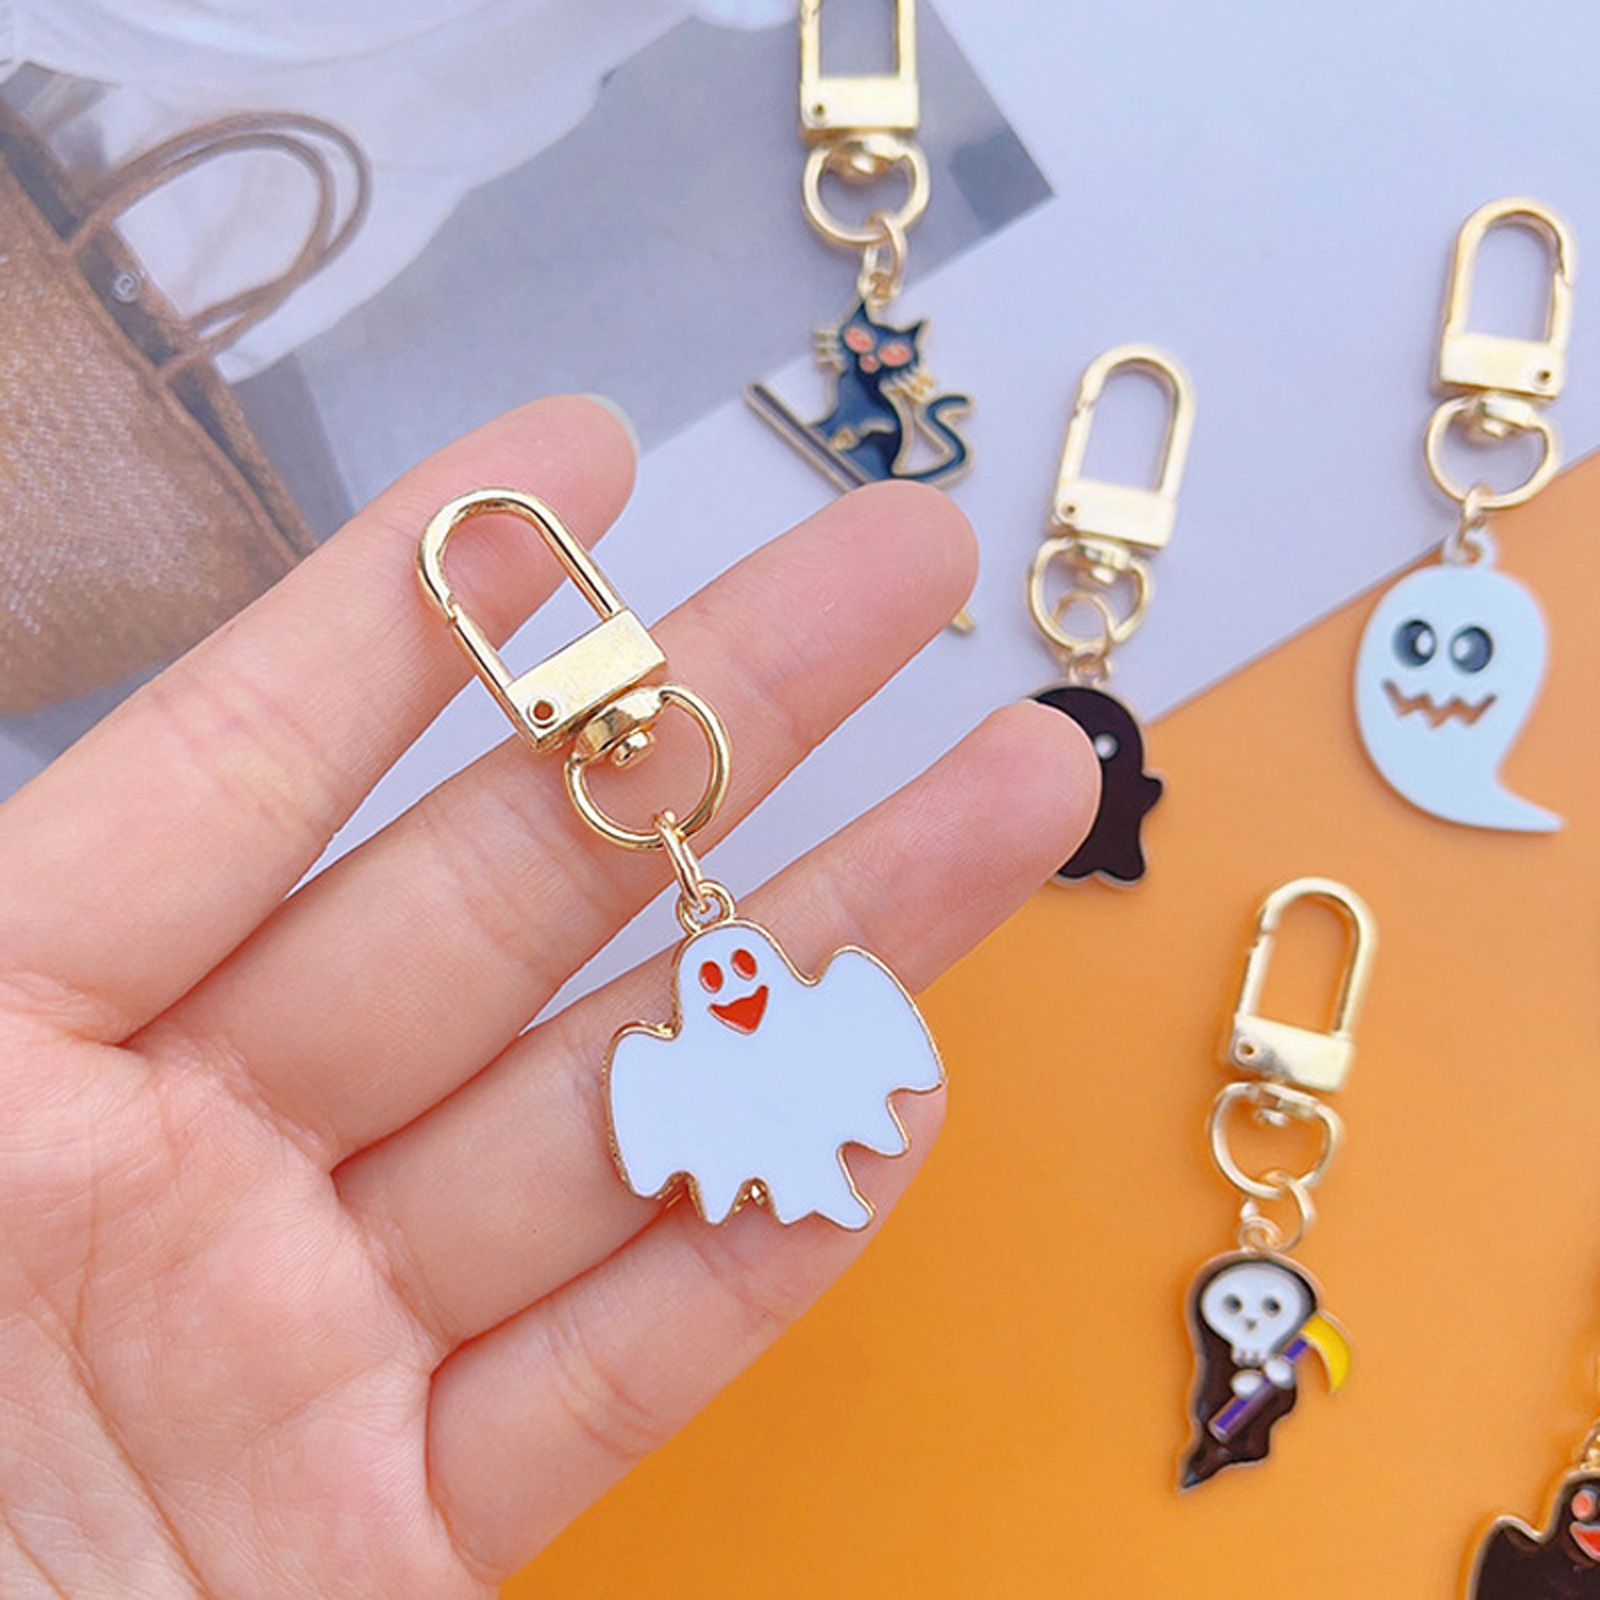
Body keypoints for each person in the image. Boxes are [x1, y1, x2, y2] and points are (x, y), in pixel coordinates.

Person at [0, 396, 1096, 1597]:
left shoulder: (812, 1007)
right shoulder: (671, 1063)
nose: (732, 976)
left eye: (734, 975)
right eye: (728, 976)